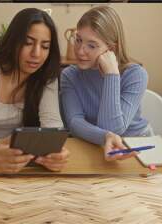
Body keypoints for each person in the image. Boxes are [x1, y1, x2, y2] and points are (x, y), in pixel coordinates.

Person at [0, 8, 69, 173]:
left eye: (45, 46)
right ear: (13, 41)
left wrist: (56, 151)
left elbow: (52, 125)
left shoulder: (47, 76)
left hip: (17, 162)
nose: (36, 54)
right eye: (28, 43)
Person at [60, 6, 153, 162]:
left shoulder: (135, 75)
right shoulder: (70, 75)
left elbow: (115, 128)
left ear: (110, 49)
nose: (80, 51)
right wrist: (104, 137)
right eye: (78, 40)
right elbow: (74, 122)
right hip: (95, 143)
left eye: (92, 45)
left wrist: (111, 75)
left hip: (136, 144)